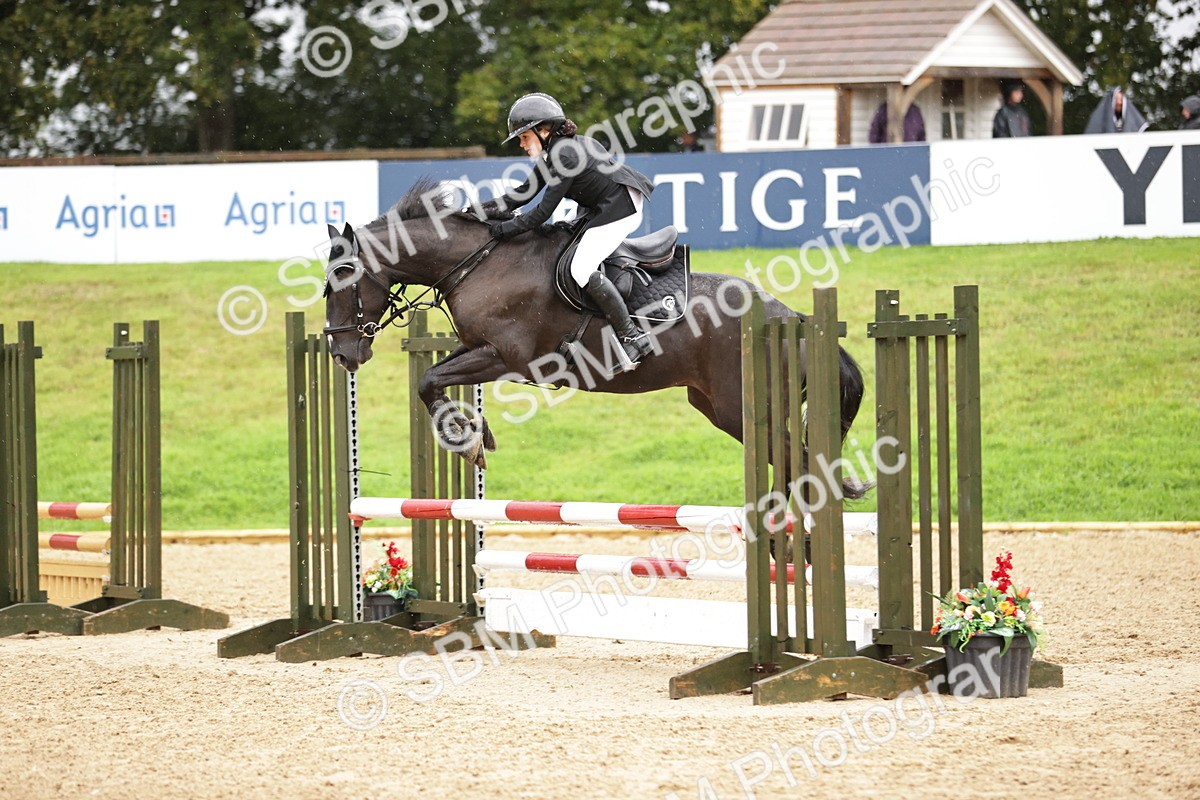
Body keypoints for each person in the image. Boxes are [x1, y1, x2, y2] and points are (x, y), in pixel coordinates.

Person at [488, 93, 655, 371]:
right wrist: (477, 211)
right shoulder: (555, 150)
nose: (520, 144)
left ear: (543, 130)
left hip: (621, 209)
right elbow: (520, 195)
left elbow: (540, 213)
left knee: (580, 268)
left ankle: (631, 337)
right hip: (600, 205)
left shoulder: (565, 154)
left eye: (524, 137)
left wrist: (501, 231)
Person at [1084, 86, 1148, 134]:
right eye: (1117, 100)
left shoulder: (1128, 120)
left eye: (1121, 100)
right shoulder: (1102, 119)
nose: (1119, 103)